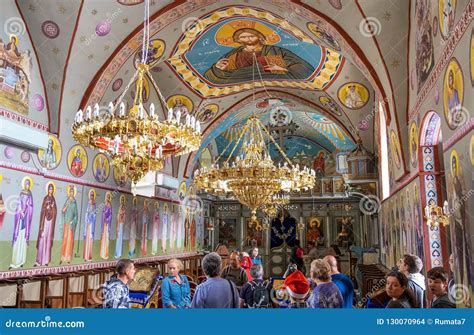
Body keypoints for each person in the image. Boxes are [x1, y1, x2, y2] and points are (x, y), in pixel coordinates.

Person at [204, 28, 314, 84]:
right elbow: (212, 75)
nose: (247, 39)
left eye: (251, 36)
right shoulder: (233, 54)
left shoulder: (273, 50)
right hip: (239, 82)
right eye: (243, 37)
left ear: (259, 37)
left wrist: (282, 68)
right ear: (238, 40)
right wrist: (217, 67)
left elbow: (304, 67)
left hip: (272, 83)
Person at [10, 177, 34, 269]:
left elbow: (31, 206)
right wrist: (21, 212)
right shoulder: (21, 193)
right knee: (18, 238)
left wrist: (27, 210)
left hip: (25, 220)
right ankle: (15, 261)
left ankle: (21, 261)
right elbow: (18, 204)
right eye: (26, 184)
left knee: (23, 239)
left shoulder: (30, 195)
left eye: (29, 184)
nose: (27, 185)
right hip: (20, 219)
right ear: (24, 184)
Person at [35, 183, 57, 266]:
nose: (50, 190)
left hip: (50, 222)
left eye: (52, 189)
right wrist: (46, 208)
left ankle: (46, 260)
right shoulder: (45, 198)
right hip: (44, 221)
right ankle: (39, 260)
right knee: (42, 238)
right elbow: (42, 210)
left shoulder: (53, 199)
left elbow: (55, 211)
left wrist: (52, 207)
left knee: (48, 239)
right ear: (48, 189)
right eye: (49, 189)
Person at [60, 185, 78, 264]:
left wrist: (73, 221)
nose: (71, 193)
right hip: (66, 224)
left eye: (72, 192)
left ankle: (68, 257)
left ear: (74, 193)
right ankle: (63, 257)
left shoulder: (74, 202)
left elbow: (76, 215)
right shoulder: (67, 201)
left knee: (70, 241)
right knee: (65, 239)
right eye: (70, 192)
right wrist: (65, 207)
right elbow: (63, 211)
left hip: (71, 225)